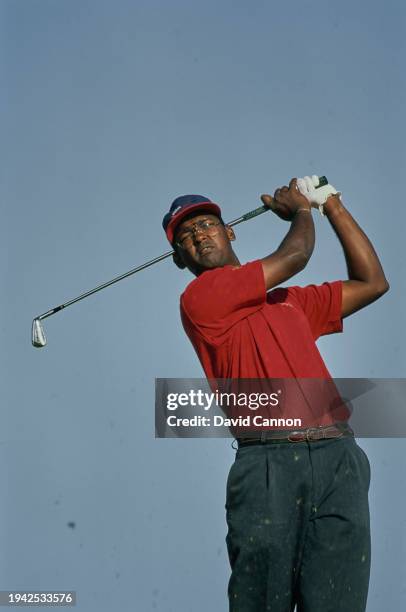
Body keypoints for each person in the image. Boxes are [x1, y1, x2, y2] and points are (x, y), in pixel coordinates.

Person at [162, 176, 389, 612]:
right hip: (268, 464)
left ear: (230, 231)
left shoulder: (289, 302)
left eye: (207, 224)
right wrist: (302, 210)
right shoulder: (201, 297)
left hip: (338, 458)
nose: (199, 236)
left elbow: (373, 282)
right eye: (186, 236)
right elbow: (296, 255)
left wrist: (332, 205)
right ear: (179, 258)